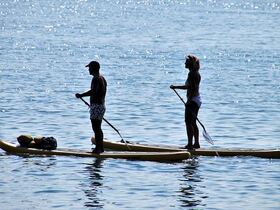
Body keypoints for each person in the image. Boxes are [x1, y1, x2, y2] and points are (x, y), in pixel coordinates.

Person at [170, 55, 201, 149]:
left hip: (193, 100)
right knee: (193, 122)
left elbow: (191, 88)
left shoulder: (192, 74)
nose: (185, 63)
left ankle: (190, 145)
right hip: (197, 100)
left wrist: (189, 100)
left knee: (188, 122)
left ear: (190, 64)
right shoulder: (195, 73)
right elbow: (191, 87)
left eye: (186, 62)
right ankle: (196, 144)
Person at [76, 61, 107, 154]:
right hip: (101, 106)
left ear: (94, 68)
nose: (89, 70)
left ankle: (98, 149)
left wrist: (81, 95)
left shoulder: (96, 79)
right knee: (98, 128)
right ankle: (100, 148)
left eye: (90, 68)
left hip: (97, 106)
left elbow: (93, 91)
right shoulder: (102, 78)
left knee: (96, 128)